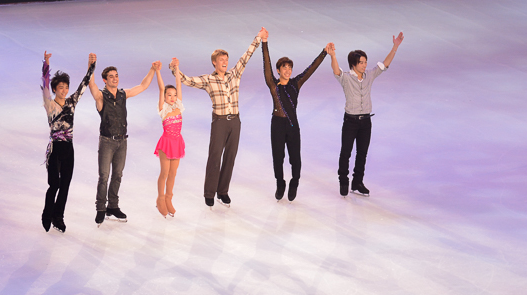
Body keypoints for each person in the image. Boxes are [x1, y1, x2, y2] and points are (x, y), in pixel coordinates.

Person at [169, 27, 266, 208]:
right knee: (215, 156)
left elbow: (246, 56)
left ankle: (223, 192)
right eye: (221, 60)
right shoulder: (208, 80)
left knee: (230, 156)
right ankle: (209, 193)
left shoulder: (234, 74)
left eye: (226, 59)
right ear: (214, 62)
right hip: (219, 122)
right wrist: (174, 68)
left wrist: (258, 38)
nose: (225, 62)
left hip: (235, 121)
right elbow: (187, 80)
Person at [327, 32, 405, 198]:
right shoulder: (346, 78)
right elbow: (336, 71)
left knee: (362, 153)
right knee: (346, 152)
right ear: (353, 64)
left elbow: (384, 64)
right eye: (361, 62)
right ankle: (343, 180)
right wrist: (333, 55)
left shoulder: (369, 75)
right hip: (350, 121)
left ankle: (357, 182)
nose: (364, 65)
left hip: (366, 122)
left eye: (365, 62)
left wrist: (395, 47)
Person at [260, 32, 329, 202]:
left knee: (295, 158)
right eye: (285, 68)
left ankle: (295, 182)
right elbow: (266, 64)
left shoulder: (296, 83)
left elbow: (311, 69)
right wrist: (265, 42)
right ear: (279, 71)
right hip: (277, 124)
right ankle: (280, 183)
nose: (288, 71)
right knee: (278, 157)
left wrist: (324, 52)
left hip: (292, 126)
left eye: (290, 68)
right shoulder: (273, 85)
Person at [87, 61, 155, 226]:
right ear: (105, 80)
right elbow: (92, 85)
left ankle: (113, 206)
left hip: (122, 141)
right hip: (106, 141)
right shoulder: (101, 97)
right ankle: (101, 209)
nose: (115, 79)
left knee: (117, 175)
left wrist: (152, 69)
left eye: (116, 76)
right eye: (111, 77)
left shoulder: (123, 94)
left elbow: (143, 86)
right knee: (104, 176)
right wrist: (91, 66)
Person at [39, 51, 96, 233]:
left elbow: (84, 84)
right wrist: (47, 62)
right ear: (55, 89)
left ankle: (58, 217)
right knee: (54, 184)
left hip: (68, 149)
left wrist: (90, 65)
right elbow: (45, 83)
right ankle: (47, 214)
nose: (64, 90)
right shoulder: (50, 104)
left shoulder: (72, 102)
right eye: (60, 87)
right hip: (55, 149)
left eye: (66, 87)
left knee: (65, 186)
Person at [154, 60, 184, 218]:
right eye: (169, 95)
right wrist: (157, 71)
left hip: (177, 143)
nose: (172, 97)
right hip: (166, 144)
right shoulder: (163, 109)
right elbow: (160, 87)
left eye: (174, 95)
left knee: (173, 173)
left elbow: (179, 84)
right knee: (164, 172)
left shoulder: (179, 105)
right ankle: (160, 199)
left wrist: (177, 68)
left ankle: (169, 199)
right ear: (165, 97)